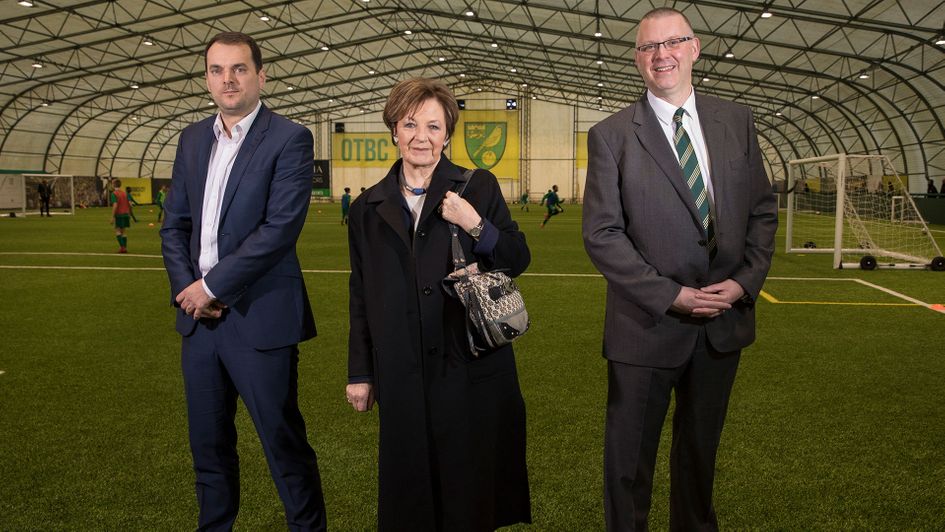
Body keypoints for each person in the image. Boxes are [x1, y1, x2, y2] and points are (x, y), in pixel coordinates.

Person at [582, 7, 778, 531]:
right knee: (628, 468)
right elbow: (602, 234)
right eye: (648, 47)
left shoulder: (736, 121)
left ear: (694, 48)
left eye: (672, 43)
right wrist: (671, 294)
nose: (660, 55)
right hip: (647, 327)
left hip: (721, 325)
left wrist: (742, 283)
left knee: (699, 460)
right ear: (636, 59)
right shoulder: (611, 135)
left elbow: (762, 210)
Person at [344, 77, 531, 531]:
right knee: (410, 494)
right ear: (394, 130)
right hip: (401, 369)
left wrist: (475, 225)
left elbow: (516, 258)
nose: (421, 137)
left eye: (433, 126)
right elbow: (360, 293)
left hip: (468, 366)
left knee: (470, 493)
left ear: (447, 133)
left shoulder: (477, 186)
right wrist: (360, 372)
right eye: (410, 124)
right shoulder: (367, 208)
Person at [160, 31, 326, 531]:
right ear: (206, 78)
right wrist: (189, 290)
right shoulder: (192, 138)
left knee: (282, 445)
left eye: (238, 69)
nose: (227, 79)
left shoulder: (290, 138)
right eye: (216, 70)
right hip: (200, 325)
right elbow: (175, 225)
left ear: (261, 75)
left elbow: (278, 230)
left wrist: (210, 288)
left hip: (259, 320)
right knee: (208, 448)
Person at [110, 179, 132, 253]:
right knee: (124, 232)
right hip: (126, 214)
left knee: (118, 231)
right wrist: (129, 213)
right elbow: (130, 204)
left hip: (119, 215)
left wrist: (112, 217)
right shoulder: (125, 193)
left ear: (114, 185)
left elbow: (115, 205)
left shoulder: (114, 193)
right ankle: (124, 247)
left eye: (112, 184)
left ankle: (122, 247)